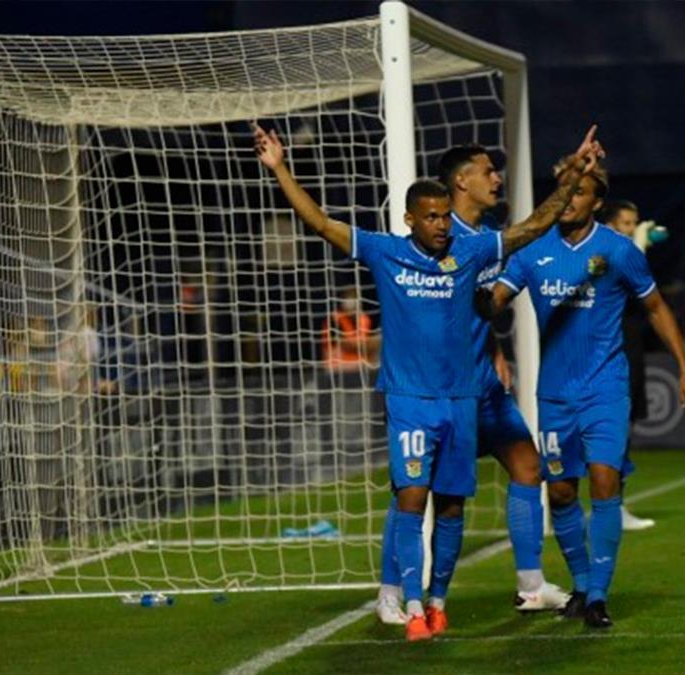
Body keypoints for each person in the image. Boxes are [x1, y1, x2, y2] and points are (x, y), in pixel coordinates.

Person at [254, 123, 602, 641]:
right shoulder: (396, 248)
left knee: (508, 475)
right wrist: (280, 167)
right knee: (412, 494)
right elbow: (324, 224)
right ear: (441, 197)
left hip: (472, 390)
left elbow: (510, 261)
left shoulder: (481, 245)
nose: (497, 178)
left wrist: (495, 348)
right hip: (418, 393)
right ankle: (396, 594)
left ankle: (516, 585)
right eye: (488, 171)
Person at [480, 159, 685, 629]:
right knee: (560, 491)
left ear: (596, 203)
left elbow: (657, 308)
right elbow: (493, 301)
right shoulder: (532, 250)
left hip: (606, 388)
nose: (568, 200)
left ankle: (598, 594)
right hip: (555, 394)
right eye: (562, 191)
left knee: (604, 481)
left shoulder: (619, 251)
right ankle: (580, 584)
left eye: (577, 193)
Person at [601, 199, 656, 531]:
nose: (631, 229)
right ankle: (602, 505)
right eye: (625, 223)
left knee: (625, 430)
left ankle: (616, 505)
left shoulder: (631, 257)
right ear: (609, 226)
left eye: (634, 224)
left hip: (631, 354)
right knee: (608, 432)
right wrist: (637, 248)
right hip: (608, 357)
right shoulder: (605, 257)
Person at [322, 288, 379, 371]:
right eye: (348, 300)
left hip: (361, 367)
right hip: (339, 368)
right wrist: (370, 344)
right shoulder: (334, 320)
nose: (350, 304)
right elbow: (347, 345)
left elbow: (372, 343)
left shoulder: (364, 319)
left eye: (353, 299)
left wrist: (371, 344)